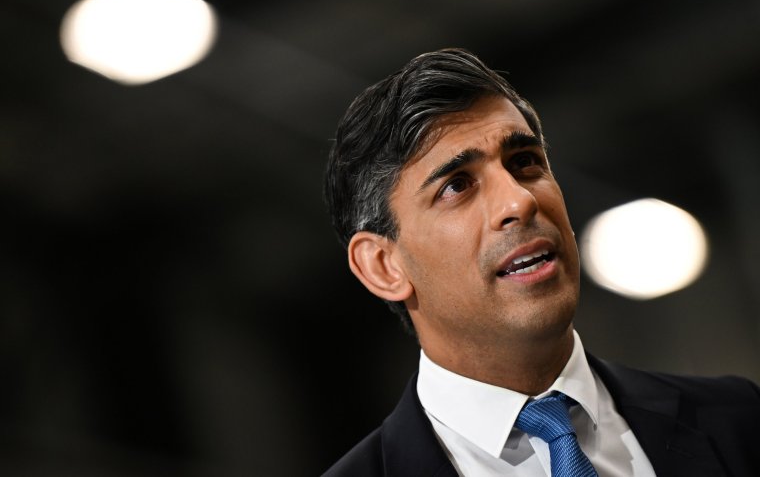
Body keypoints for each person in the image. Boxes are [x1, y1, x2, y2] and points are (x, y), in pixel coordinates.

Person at [320, 47, 760, 476]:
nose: (520, 199)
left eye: (525, 161)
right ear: (383, 266)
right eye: (456, 186)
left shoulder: (739, 421)